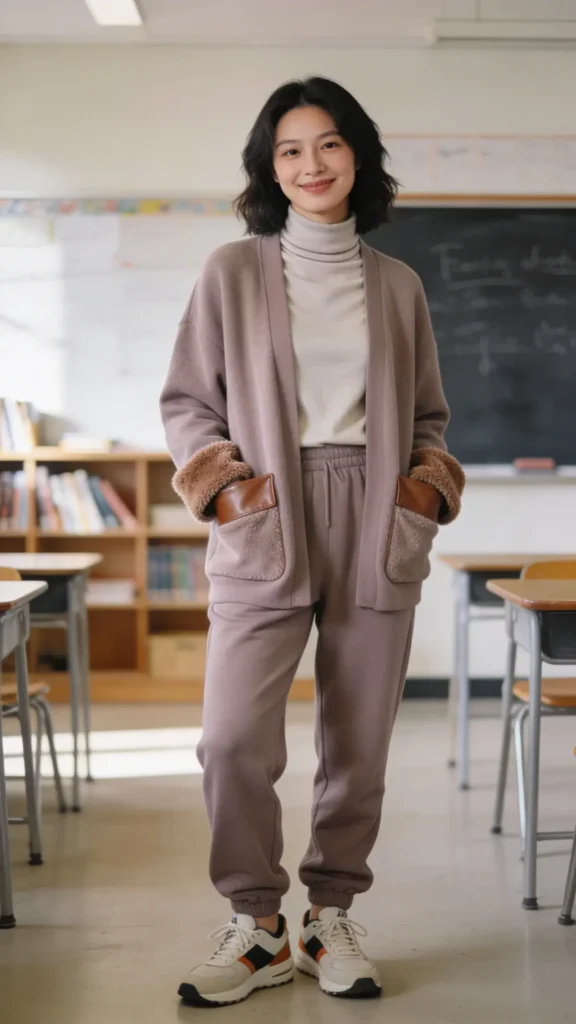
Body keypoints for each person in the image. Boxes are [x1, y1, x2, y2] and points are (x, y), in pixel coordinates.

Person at [160, 76, 464, 1008]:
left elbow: (429, 418)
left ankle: (330, 914)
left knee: (359, 740)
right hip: (266, 510)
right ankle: (257, 925)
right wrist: (227, 491)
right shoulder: (229, 271)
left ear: (357, 156)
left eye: (328, 144)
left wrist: (422, 489)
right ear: (270, 167)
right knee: (230, 739)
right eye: (290, 149)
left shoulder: (399, 285)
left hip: (376, 515)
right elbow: (187, 403)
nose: (311, 164)